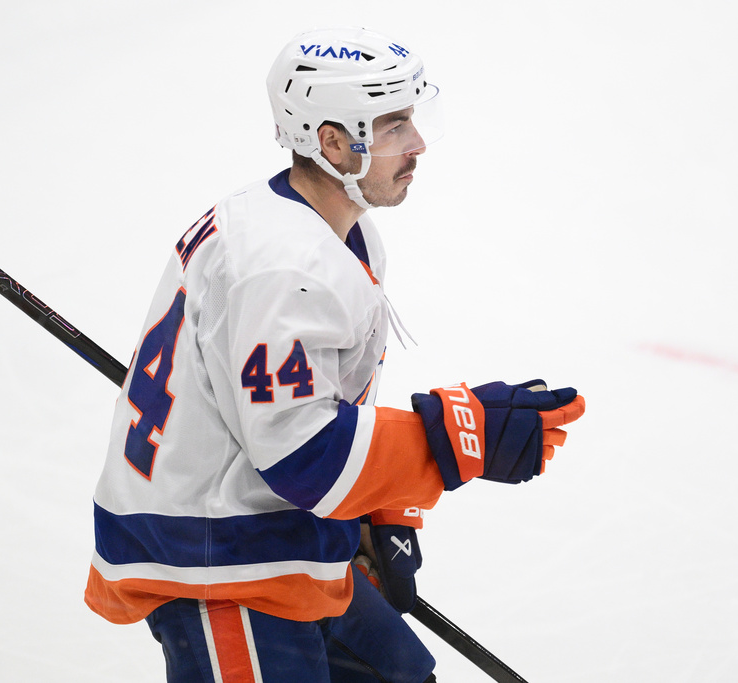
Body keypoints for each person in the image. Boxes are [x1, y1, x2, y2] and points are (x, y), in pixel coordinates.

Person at [85, 26, 585, 683]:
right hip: (219, 561)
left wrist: (376, 507)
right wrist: (453, 439)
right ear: (329, 141)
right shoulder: (285, 265)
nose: (417, 144)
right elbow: (302, 452)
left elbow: (312, 414)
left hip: (276, 534)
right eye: (393, 125)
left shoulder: (338, 235)